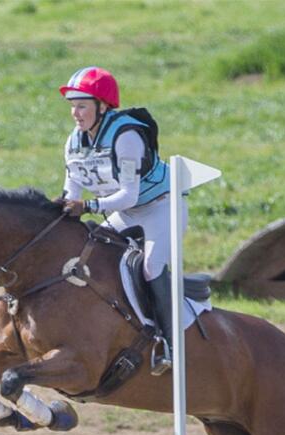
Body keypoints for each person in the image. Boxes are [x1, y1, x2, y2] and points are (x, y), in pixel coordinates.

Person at [56, 66, 178, 375]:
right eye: (72, 105)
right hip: (122, 212)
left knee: (150, 267)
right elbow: (70, 190)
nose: (75, 112)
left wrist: (89, 204)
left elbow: (130, 195)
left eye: (82, 105)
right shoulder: (74, 141)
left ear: (103, 105)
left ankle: (170, 343)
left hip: (158, 207)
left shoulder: (127, 137)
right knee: (90, 255)